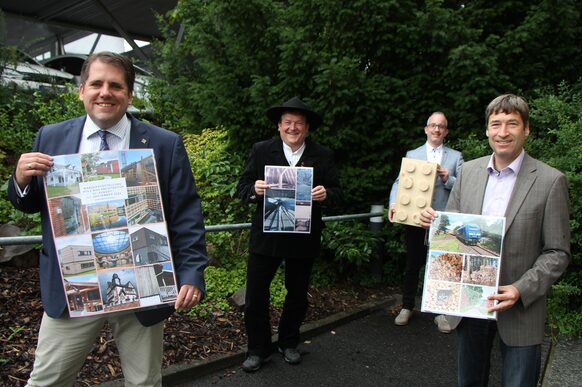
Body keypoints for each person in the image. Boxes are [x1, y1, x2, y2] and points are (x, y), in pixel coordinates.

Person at [7, 51, 208, 386]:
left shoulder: (163, 144)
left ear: (129, 94)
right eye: (96, 83)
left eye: (115, 85)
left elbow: (186, 215)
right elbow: (30, 205)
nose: (105, 92)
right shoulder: (51, 137)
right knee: (46, 381)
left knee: (144, 382)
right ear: (81, 90)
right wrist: (20, 179)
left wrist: (191, 273)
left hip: (144, 284)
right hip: (75, 283)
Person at [419, 94, 570, 386]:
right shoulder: (468, 172)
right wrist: (434, 223)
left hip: (520, 308)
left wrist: (520, 289)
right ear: (487, 129)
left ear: (526, 129)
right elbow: (451, 235)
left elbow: (557, 252)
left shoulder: (551, 181)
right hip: (470, 303)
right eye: (496, 124)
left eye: (512, 123)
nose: (503, 132)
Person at [235, 96, 342, 372]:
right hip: (266, 235)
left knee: (296, 294)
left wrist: (326, 194)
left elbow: (339, 192)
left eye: (298, 123)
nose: (292, 128)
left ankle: (288, 342)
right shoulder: (261, 151)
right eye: (287, 123)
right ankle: (258, 349)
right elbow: (242, 186)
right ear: (279, 126)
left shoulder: (323, 155)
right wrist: (254, 190)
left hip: (303, 237)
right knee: (256, 295)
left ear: (307, 128)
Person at [388, 112, 463, 332]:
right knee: (412, 263)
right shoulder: (413, 154)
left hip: (443, 220)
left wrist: (448, 178)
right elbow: (399, 182)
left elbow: (464, 187)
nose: (437, 129)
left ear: (446, 131)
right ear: (426, 129)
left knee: (442, 266)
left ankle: (441, 312)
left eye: (441, 126)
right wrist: (394, 204)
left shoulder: (456, 157)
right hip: (415, 218)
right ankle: (407, 306)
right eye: (433, 126)